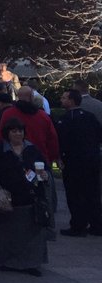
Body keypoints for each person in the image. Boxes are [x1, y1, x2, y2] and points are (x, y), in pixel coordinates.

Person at [0, 118, 51, 276]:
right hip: (8, 195)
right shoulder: (0, 150)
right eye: (14, 131)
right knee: (8, 231)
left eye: (20, 131)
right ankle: (6, 261)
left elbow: (45, 167)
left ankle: (31, 263)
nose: (18, 134)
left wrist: (44, 174)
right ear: (7, 133)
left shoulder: (32, 149)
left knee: (32, 231)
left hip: (31, 195)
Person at [57, 89, 102, 237]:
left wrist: (60, 157)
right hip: (92, 160)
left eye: (64, 97)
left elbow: (62, 141)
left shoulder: (66, 120)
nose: (61, 100)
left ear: (71, 100)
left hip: (74, 162)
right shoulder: (90, 117)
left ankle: (78, 225)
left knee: (75, 194)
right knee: (92, 192)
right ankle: (96, 224)